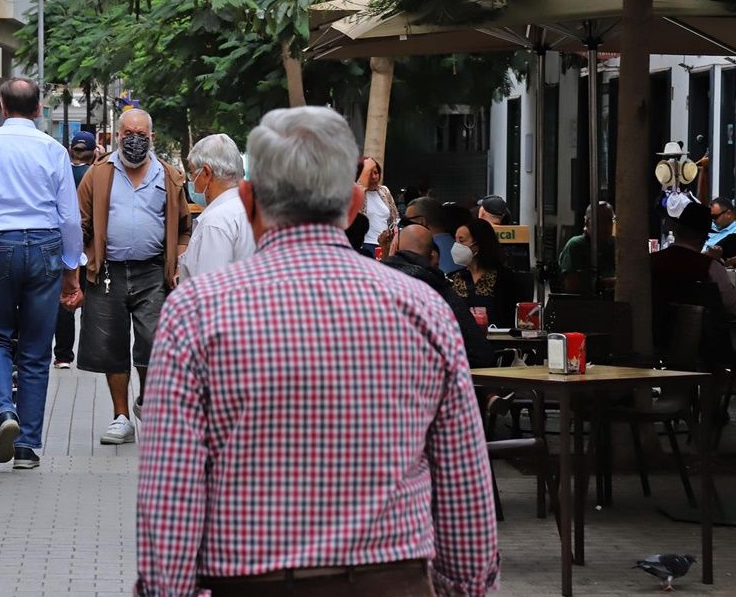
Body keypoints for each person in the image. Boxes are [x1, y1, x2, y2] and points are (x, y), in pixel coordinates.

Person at [136, 106, 498, 596]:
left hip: (250, 582)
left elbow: (171, 492)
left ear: (247, 198)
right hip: (392, 581)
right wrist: (467, 589)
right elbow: (463, 484)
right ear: (353, 205)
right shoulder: (423, 310)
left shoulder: (196, 314)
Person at [0, 78, 84, 472]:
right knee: (37, 351)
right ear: (39, 109)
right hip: (45, 248)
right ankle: (27, 447)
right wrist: (71, 269)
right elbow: (69, 216)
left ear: (2, 107)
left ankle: (4, 411)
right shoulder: (53, 150)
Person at [77, 108, 192, 444]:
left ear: (151, 137)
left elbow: (184, 227)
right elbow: (80, 224)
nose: (135, 139)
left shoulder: (169, 176)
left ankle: (146, 401)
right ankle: (121, 417)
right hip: (108, 272)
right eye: (128, 132)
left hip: (153, 272)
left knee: (153, 342)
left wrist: (178, 262)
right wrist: (80, 267)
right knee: (111, 346)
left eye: (141, 133)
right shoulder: (98, 174)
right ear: (117, 135)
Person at [383, 224, 493, 368]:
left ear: (395, 247)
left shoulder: (372, 286)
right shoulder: (440, 292)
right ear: (434, 256)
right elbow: (480, 353)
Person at [179, 133, 255, 281]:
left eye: (193, 172)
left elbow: (211, 291)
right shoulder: (255, 208)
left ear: (206, 173)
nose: (192, 181)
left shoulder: (215, 223)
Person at [53, 131, 98, 369]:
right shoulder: (97, 175)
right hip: (91, 248)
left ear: (71, 150)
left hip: (64, 245)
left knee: (67, 299)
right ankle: (90, 353)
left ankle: (62, 355)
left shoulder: (61, 172)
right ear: (94, 152)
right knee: (92, 300)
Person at [450, 218, 519, 328]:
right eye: (456, 240)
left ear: (479, 243)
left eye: (462, 241)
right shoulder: (454, 278)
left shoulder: (504, 277)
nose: (456, 246)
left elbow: (513, 316)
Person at [557, 202, 617, 295]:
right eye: (600, 221)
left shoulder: (614, 245)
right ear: (587, 222)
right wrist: (608, 283)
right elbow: (572, 285)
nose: (606, 226)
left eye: (609, 220)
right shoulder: (576, 245)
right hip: (585, 304)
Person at [355, 156, 399, 258]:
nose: (374, 177)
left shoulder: (384, 191)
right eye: (370, 174)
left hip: (385, 245)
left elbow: (394, 218)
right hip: (365, 245)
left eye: (376, 172)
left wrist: (395, 237)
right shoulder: (358, 193)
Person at [403, 196, 459, 274]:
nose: (405, 227)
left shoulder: (422, 253)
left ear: (421, 221)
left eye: (407, 221)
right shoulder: (458, 246)